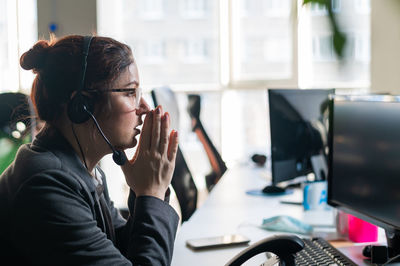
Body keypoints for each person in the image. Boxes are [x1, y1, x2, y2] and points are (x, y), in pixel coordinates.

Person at [0, 35, 180, 265]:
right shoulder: (46, 184)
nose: (144, 108)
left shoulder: (81, 169)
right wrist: (151, 194)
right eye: (129, 92)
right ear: (82, 105)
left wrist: (144, 193)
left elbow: (117, 250)